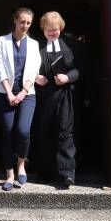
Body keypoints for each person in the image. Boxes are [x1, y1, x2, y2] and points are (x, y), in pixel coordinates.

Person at [0, 8, 41, 191]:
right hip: (4, 94)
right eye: (22, 22)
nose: (25, 26)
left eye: (28, 23)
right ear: (15, 20)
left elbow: (34, 70)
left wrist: (22, 92)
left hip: (27, 94)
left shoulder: (34, 44)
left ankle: (21, 163)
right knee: (8, 133)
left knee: (22, 131)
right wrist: (9, 93)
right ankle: (9, 175)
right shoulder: (2, 41)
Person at [35, 11, 80, 188]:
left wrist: (68, 77)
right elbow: (26, 66)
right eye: (48, 30)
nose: (52, 33)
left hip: (66, 93)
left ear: (60, 28)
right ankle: (44, 171)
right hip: (44, 94)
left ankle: (67, 173)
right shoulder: (36, 45)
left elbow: (80, 68)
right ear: (43, 30)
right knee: (44, 130)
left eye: (55, 30)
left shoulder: (72, 45)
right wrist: (36, 77)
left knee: (65, 132)